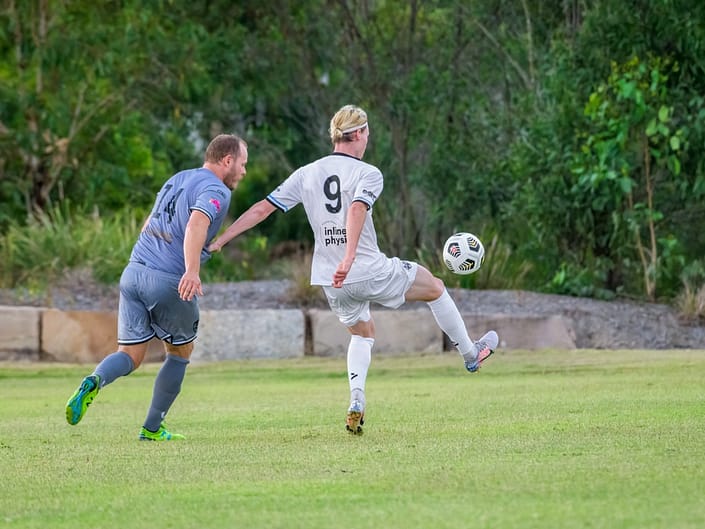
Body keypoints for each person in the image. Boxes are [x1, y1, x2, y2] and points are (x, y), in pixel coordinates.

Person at [208, 105, 498, 435]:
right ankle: (471, 355)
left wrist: (222, 241)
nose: (368, 139)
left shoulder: (307, 172)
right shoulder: (368, 173)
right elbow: (358, 207)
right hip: (364, 269)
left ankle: (356, 398)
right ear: (358, 134)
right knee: (435, 288)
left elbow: (263, 209)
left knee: (363, 333)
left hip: (332, 282)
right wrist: (348, 258)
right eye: (368, 134)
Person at [65, 133, 248, 441]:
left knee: (130, 355)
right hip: (170, 279)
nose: (243, 171)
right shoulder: (216, 189)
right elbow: (196, 223)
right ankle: (152, 428)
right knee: (179, 352)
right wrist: (191, 271)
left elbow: (147, 224)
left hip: (134, 272)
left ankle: (95, 380)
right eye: (242, 164)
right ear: (227, 161)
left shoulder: (176, 179)